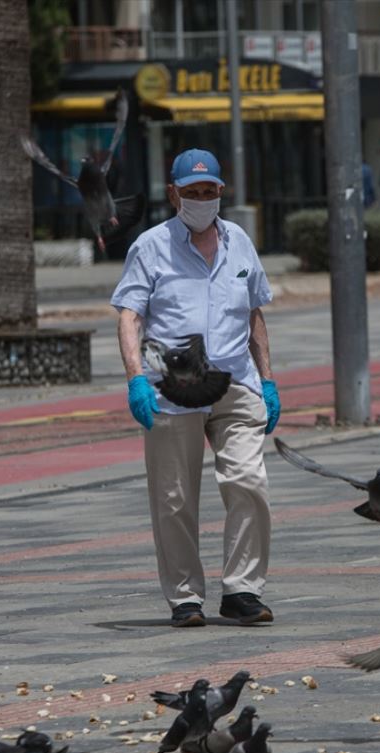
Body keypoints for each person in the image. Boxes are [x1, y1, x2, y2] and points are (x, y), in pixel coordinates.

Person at [111, 148, 281, 628]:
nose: (202, 200)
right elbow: (130, 316)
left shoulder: (240, 243)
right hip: (172, 386)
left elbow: (254, 315)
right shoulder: (150, 246)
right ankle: (185, 597)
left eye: (209, 192)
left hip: (236, 382)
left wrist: (268, 381)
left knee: (249, 482)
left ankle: (243, 590)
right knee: (174, 497)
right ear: (174, 194)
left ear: (221, 193)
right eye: (192, 192)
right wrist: (136, 379)